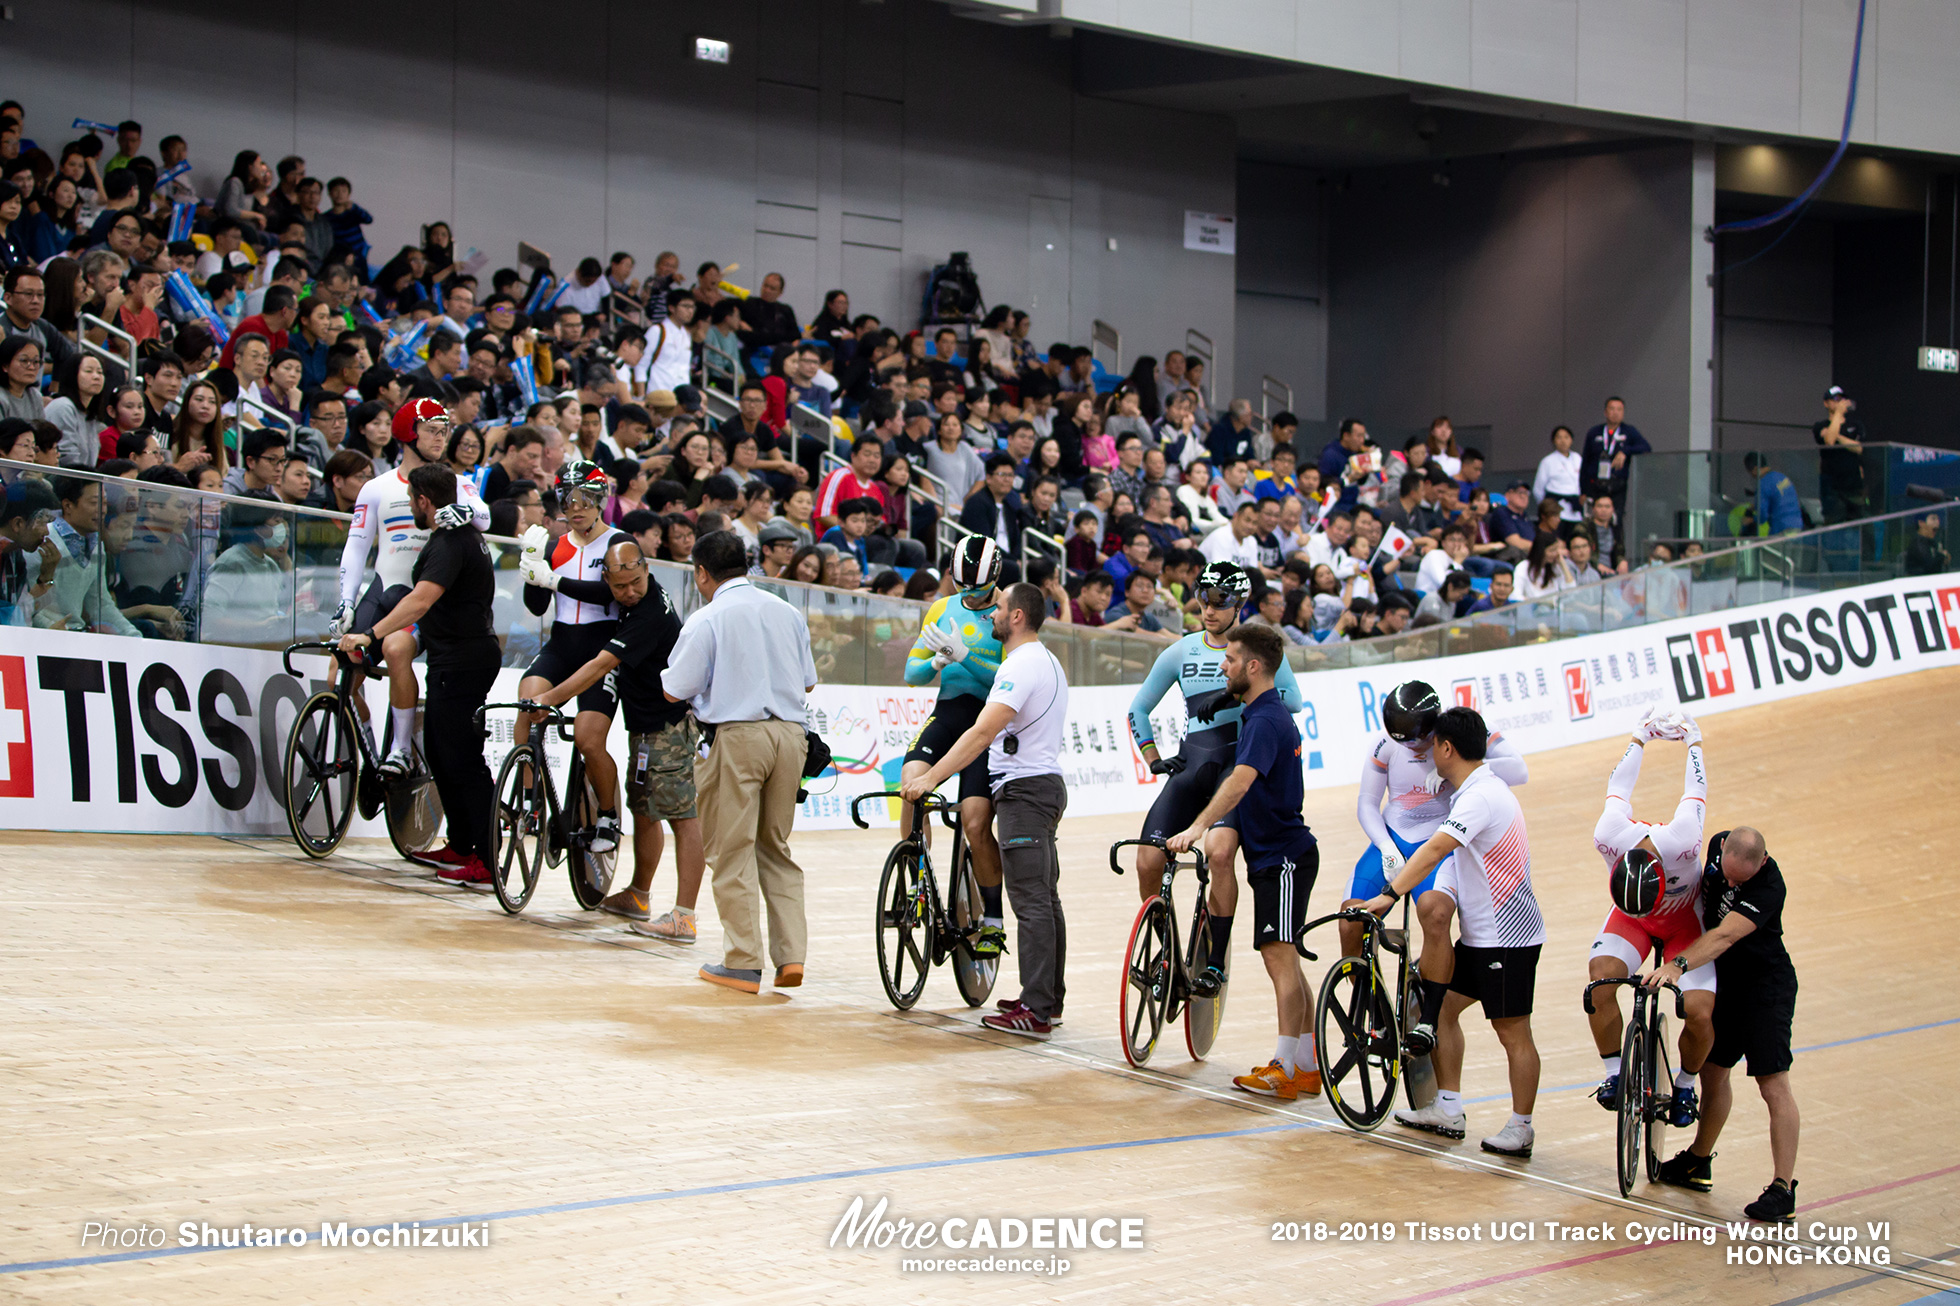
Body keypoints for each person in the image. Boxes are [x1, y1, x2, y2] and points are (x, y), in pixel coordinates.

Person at [1367, 707, 1543, 1159]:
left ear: (1447, 748)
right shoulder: (1473, 788)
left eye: (1432, 747)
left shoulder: (1480, 797)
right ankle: (1447, 1107)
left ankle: (1521, 1129)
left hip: (1508, 937)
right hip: (1482, 936)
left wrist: (1389, 896)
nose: (1426, 756)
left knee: (1512, 1032)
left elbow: (1436, 849)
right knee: (1439, 1009)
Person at [901, 582, 1070, 1039]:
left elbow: (981, 733)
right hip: (1040, 787)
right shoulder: (1047, 660)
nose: (989, 615)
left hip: (1024, 791)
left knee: (1032, 902)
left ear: (1016, 617)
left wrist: (930, 777)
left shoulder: (1020, 664)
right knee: (1045, 900)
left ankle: (1036, 1010)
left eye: (997, 608)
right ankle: (1047, 1000)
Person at [1165, 621, 1319, 1101]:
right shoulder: (1262, 711)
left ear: (1253, 666)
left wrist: (1197, 827)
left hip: (1284, 857)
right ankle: (1307, 1065)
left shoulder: (1267, 721)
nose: (1222, 666)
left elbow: (1238, 782)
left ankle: (1283, 1067)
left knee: (1280, 960)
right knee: (1287, 959)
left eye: (1230, 660)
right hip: (1279, 854)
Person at [661, 530, 819, 995]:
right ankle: (791, 957)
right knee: (775, 848)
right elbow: (808, 683)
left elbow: (676, 688)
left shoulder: (708, 618)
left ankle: (743, 961)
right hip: (791, 737)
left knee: (731, 851)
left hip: (735, 736)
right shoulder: (787, 612)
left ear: (702, 573)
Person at [1125, 563, 1303, 973]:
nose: (1209, 608)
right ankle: (1163, 946)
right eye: (1203, 598)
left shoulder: (1257, 650)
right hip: (1195, 762)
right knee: (1147, 862)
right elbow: (1138, 708)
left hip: (1235, 765)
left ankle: (1215, 960)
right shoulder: (1182, 649)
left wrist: (1230, 696)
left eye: (1220, 601)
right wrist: (1152, 757)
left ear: (1239, 604)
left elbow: (1291, 700)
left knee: (1220, 855)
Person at [528, 536, 704, 942]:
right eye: (619, 586)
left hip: (669, 726)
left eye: (635, 584)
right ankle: (639, 896)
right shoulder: (632, 589)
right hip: (643, 724)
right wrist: (553, 580)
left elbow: (600, 665)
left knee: (682, 817)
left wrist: (551, 697)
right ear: (608, 578)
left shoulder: (648, 613)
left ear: (646, 570)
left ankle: (685, 916)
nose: (627, 593)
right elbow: (593, 589)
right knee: (644, 809)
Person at [338, 464, 500, 885]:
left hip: (465, 660)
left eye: (412, 501)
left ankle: (487, 857)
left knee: (463, 760)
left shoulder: (449, 541)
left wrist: (369, 633)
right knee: (445, 756)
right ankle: (462, 845)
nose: (411, 507)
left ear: (424, 501)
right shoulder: (461, 534)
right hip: (455, 657)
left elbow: (420, 602)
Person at [1344, 682, 1529, 1045]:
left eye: (1418, 741)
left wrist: (1468, 765)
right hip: (1394, 837)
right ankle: (1376, 1011)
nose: (1412, 748)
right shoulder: (1384, 746)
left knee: (1436, 913)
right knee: (1351, 918)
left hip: (1440, 839)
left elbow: (1520, 770)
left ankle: (1429, 1018)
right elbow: (1367, 803)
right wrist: (1384, 846)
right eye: (1405, 742)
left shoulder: (1460, 733)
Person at [1649, 824, 1803, 1224]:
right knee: (1714, 1073)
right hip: (1726, 984)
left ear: (1761, 863)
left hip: (1765, 990)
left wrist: (1679, 964)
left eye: (1740, 881)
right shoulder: (1718, 843)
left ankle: (1782, 1188)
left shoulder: (1769, 886)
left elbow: (1723, 936)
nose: (1731, 883)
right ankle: (1698, 1162)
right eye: (1727, 874)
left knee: (1772, 1084)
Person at [330, 398, 490, 778]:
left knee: (396, 647)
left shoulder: (458, 484)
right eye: (432, 430)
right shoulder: (376, 487)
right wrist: (346, 601)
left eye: (444, 430)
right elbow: (356, 547)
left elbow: (484, 516)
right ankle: (368, 752)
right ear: (407, 434)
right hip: (384, 589)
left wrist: (466, 511)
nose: (441, 438)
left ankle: (402, 749)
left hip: (425, 599)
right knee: (340, 671)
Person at [1588, 708, 1713, 1135]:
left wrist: (1693, 743)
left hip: (1683, 923)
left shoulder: (1684, 840)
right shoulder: (1608, 835)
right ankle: (1614, 1071)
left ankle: (1685, 1084)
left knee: (1697, 1010)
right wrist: (1638, 738)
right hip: (1631, 919)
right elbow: (1617, 786)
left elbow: (1696, 788)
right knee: (1600, 981)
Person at [902, 537, 1009, 958]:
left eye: (977, 588)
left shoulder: (1009, 609)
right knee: (910, 785)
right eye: (961, 584)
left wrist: (963, 656)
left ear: (995, 579)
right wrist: (935, 662)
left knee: (976, 821)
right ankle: (917, 883)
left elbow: (1009, 681)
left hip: (987, 723)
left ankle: (995, 920)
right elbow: (912, 674)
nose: (968, 594)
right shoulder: (942, 608)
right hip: (949, 712)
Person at [513, 462, 628, 854]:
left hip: (601, 650)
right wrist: (530, 568)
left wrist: (553, 579)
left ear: (600, 502)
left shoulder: (618, 542)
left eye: (584, 500)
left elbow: (610, 594)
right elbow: (536, 605)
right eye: (568, 500)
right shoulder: (555, 545)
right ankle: (529, 801)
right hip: (562, 644)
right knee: (526, 702)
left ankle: (609, 814)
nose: (575, 508)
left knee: (588, 739)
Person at [1812, 385, 1867, 524]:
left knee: (1860, 524)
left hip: (1853, 485)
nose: (1839, 402)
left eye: (1842, 399)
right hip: (1831, 487)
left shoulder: (1856, 424)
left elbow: (1858, 448)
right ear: (1826, 403)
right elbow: (1829, 441)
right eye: (1835, 399)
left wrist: (1836, 435)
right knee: (1833, 524)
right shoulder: (1820, 425)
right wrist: (1837, 414)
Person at [1581, 396, 1649, 507]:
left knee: (1616, 519)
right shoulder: (1594, 432)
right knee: (1594, 517)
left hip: (1617, 485)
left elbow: (1646, 447)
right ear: (1605, 412)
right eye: (1612, 409)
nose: (1615, 413)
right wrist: (1583, 491)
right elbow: (1585, 462)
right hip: (1595, 484)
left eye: (1619, 409)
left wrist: (1625, 451)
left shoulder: (1629, 431)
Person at [1745, 452, 1803, 536]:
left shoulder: (1763, 484)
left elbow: (1762, 517)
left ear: (1755, 469)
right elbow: (1781, 500)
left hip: (1781, 528)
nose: (1752, 476)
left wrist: (1751, 520)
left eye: (1751, 473)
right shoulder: (1781, 477)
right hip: (1797, 526)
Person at [1904, 511, 1951, 576]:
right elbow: (1928, 565)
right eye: (1933, 519)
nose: (1937, 522)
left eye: (1938, 519)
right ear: (1921, 523)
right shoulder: (1917, 543)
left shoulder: (1933, 543)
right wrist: (1942, 557)